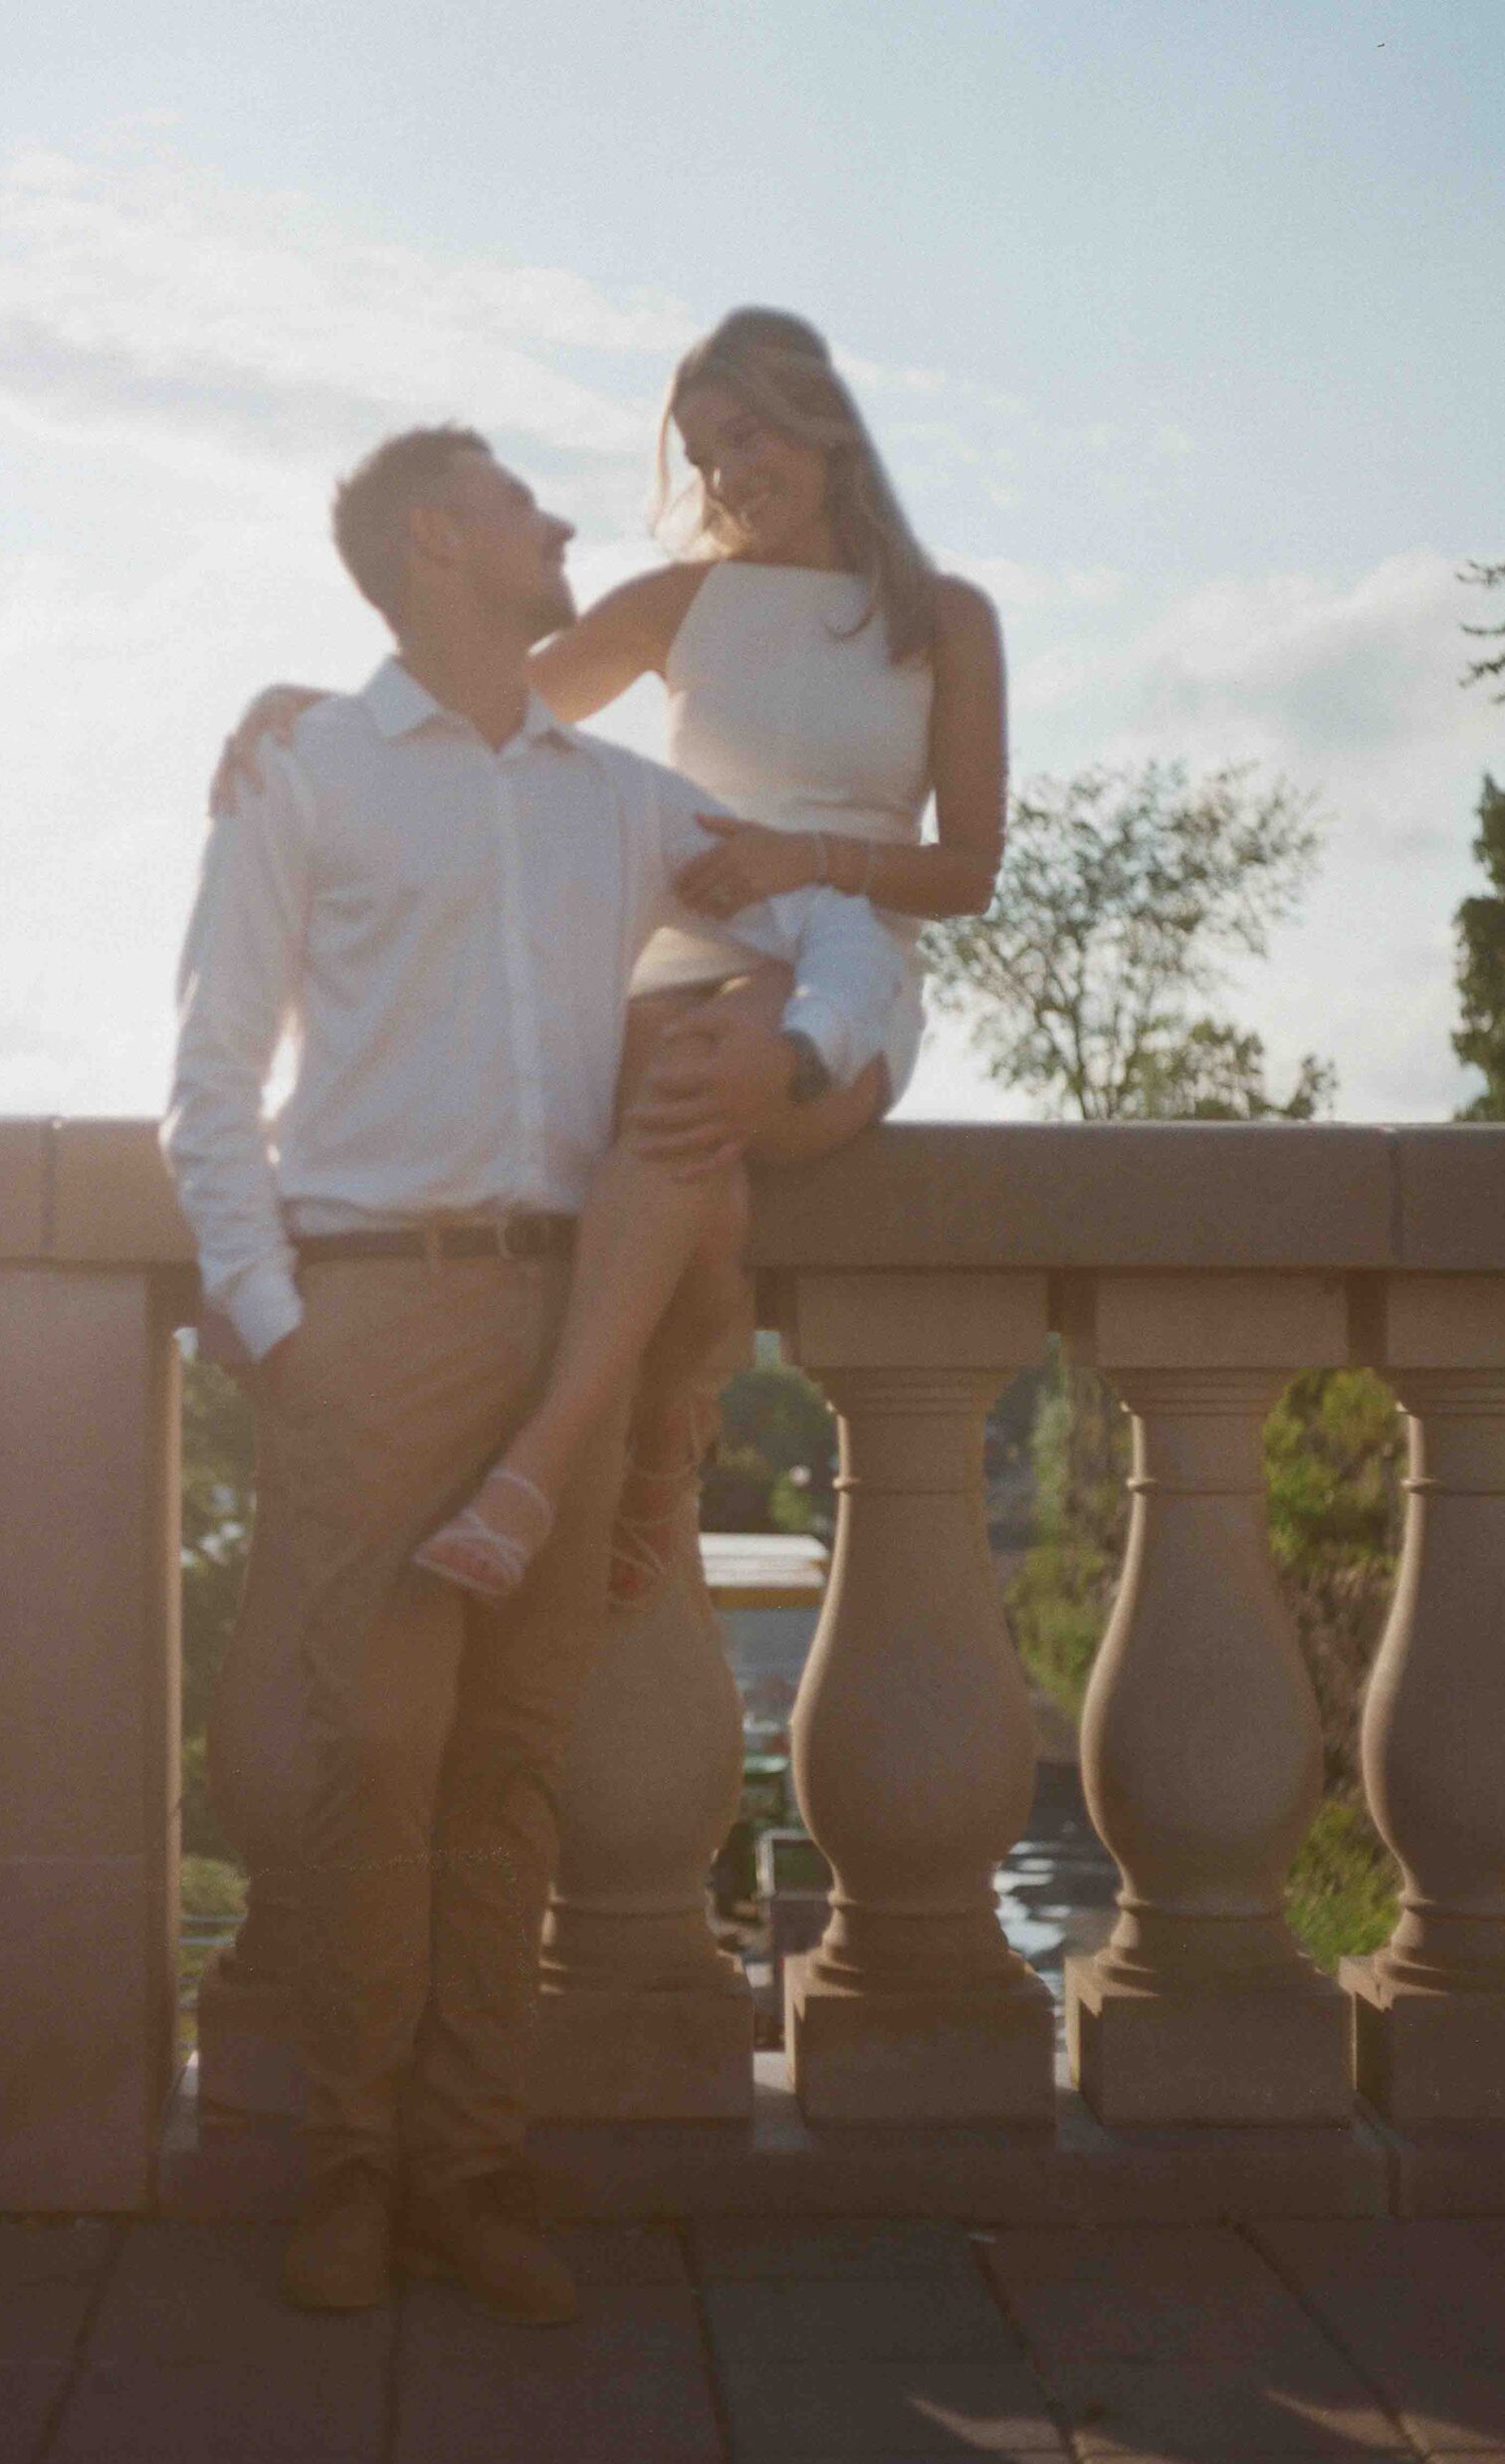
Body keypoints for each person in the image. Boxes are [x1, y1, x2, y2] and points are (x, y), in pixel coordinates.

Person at [162, 424, 900, 2324]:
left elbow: (838, 917)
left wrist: (798, 1051)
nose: (560, 520)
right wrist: (282, 1336)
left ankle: (469, 2176)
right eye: (515, 502)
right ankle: (348, 2168)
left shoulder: (620, 804)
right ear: (433, 541)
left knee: (507, 1777)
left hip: (568, 1323)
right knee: (372, 1764)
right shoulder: (304, 774)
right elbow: (211, 1081)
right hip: (367, 1328)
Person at [214, 308, 1009, 1606]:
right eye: (700, 455)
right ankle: (655, 1460)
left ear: (822, 426)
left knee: (698, 1083)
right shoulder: (678, 604)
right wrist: (313, 713)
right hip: (676, 959)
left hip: (837, 976)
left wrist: (807, 860)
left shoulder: (944, 620)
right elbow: (480, 707)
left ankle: (550, 1468)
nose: (726, 476)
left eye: (745, 435)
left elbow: (968, 869)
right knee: (696, 1156)